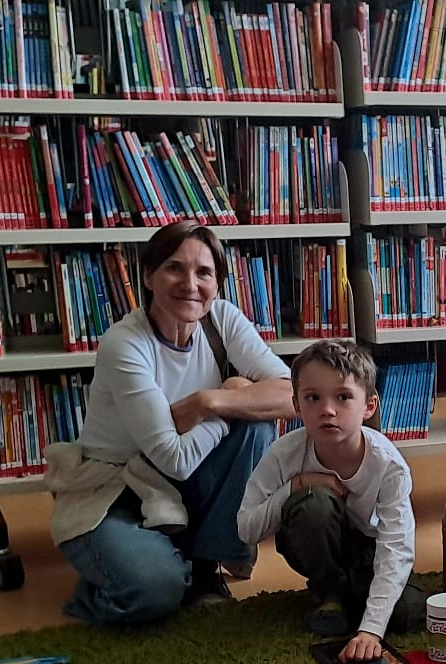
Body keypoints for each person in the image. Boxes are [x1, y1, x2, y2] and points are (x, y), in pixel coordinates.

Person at [46, 221, 295, 623]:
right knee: (155, 590)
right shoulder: (125, 343)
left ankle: (204, 569)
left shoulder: (222, 319)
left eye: (204, 272)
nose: (190, 284)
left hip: (178, 484)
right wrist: (221, 407)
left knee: (256, 426)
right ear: (148, 276)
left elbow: (292, 394)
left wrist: (210, 401)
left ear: (217, 284)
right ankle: (105, 586)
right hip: (112, 490)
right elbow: (172, 458)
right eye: (174, 268)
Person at [235, 340, 425, 657]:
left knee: (407, 612)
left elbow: (396, 547)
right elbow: (246, 529)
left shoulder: (389, 465)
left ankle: (352, 597)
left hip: (369, 550)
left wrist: (371, 630)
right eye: (313, 398)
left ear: (369, 406)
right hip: (316, 539)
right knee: (315, 503)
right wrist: (295, 485)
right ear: (297, 406)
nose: (327, 410)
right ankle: (330, 592)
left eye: (343, 397)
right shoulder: (284, 453)